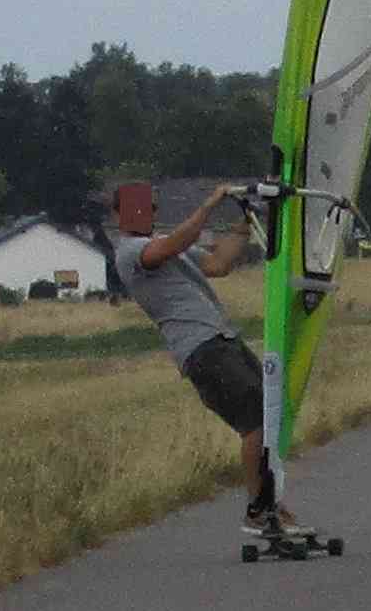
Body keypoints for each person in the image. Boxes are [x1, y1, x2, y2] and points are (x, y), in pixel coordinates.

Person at [108, 176, 288, 547]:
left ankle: (269, 505)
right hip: (201, 348)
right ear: (118, 215)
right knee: (254, 418)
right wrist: (210, 204)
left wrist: (245, 221)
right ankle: (257, 509)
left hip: (223, 338)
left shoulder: (169, 250)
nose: (145, 214)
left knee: (270, 415)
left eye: (151, 207)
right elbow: (173, 243)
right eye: (136, 208)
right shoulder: (130, 252)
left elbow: (219, 264)